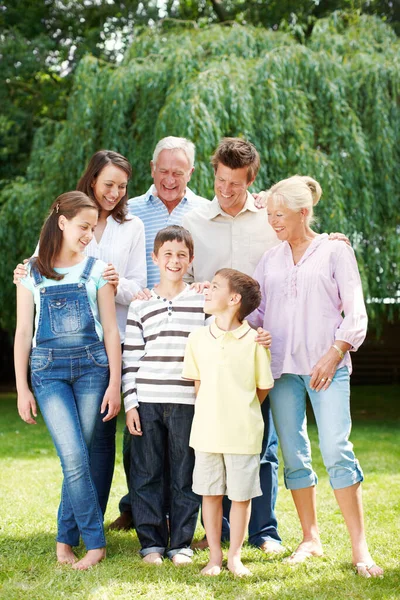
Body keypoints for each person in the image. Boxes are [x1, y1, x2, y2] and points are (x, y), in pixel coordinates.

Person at [250, 175, 383, 578]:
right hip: (282, 370)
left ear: (303, 212)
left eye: (280, 215)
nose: (273, 222)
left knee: (337, 449)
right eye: (270, 214)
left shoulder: (335, 251)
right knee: (293, 454)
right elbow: (258, 312)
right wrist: (245, 326)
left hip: (327, 367)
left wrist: (335, 351)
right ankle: (311, 538)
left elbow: (355, 311)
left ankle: (361, 550)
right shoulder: (269, 260)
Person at [14, 150, 147, 516]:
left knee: (100, 440)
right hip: (62, 350)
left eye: (122, 186)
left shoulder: (131, 226)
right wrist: (22, 272)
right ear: (92, 180)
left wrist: (113, 283)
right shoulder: (69, 218)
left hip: (111, 342)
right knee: (76, 445)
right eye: (109, 184)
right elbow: (44, 270)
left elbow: (139, 287)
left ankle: (93, 516)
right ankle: (81, 522)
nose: (116, 192)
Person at [182, 138, 283, 554]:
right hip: (215, 346)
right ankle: (219, 532)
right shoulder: (194, 220)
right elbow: (181, 279)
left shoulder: (266, 219)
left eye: (236, 184)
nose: (226, 190)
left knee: (261, 443)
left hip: (259, 341)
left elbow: (297, 243)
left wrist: (331, 238)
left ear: (251, 180)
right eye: (221, 181)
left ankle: (264, 533)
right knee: (215, 441)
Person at [14, 191, 121, 570]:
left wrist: (114, 383)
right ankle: (94, 543)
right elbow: (23, 331)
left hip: (93, 370)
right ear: (62, 222)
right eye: (83, 227)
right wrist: (22, 387)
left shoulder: (98, 270)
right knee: (74, 456)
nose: (89, 235)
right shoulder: (30, 272)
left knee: (81, 457)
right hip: (48, 374)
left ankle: (64, 541)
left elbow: (110, 330)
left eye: (93, 228)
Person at [111, 136, 208, 530]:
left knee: (182, 445)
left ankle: (175, 520)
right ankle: (136, 508)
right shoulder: (128, 212)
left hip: (186, 332)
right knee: (139, 442)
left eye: (178, 172)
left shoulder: (204, 212)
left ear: (191, 173)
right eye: (163, 171)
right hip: (137, 329)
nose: (170, 179)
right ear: (152, 169)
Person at [122, 226, 205, 565]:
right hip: (149, 399)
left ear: (191, 260)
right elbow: (131, 359)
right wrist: (131, 403)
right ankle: (151, 544)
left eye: (181, 255)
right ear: (155, 258)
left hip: (188, 401)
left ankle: (181, 543)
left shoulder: (202, 301)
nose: (174, 261)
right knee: (147, 472)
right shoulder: (140, 305)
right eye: (167, 254)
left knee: (186, 472)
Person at [182, 268, 274, 576]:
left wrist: (240, 411)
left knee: (240, 496)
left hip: (243, 434)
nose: (207, 289)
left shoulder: (255, 342)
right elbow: (198, 385)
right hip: (206, 433)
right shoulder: (197, 338)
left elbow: (262, 387)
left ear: (233, 299)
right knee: (209, 494)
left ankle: (235, 556)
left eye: (216, 286)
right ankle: (215, 557)